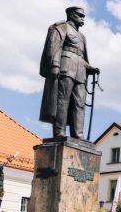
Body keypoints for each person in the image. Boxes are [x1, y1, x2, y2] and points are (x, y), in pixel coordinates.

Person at [39, 7, 100, 139]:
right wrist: (54, 65)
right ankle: (59, 131)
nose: (83, 18)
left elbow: (81, 56)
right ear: (71, 14)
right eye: (80, 15)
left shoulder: (82, 37)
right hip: (65, 66)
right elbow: (54, 46)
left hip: (81, 71)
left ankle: (78, 134)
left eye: (84, 16)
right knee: (63, 100)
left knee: (80, 102)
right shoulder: (61, 27)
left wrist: (89, 67)